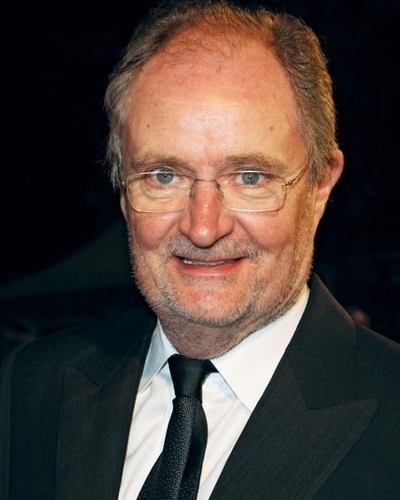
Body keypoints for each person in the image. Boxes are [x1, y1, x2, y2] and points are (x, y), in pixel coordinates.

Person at [1, 1, 399, 499]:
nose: (204, 227)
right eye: (163, 176)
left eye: (249, 177)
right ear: (123, 190)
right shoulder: (31, 387)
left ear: (319, 186)